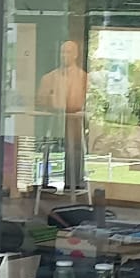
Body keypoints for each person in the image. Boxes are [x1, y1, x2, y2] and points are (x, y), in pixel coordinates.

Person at [36, 39, 88, 191]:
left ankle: (73, 183)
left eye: (68, 52)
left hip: (74, 123)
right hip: (53, 122)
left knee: (74, 150)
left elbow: (86, 100)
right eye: (62, 52)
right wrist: (52, 101)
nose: (64, 55)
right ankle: (45, 183)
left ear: (76, 55)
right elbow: (41, 99)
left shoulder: (84, 77)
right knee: (48, 148)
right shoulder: (49, 78)